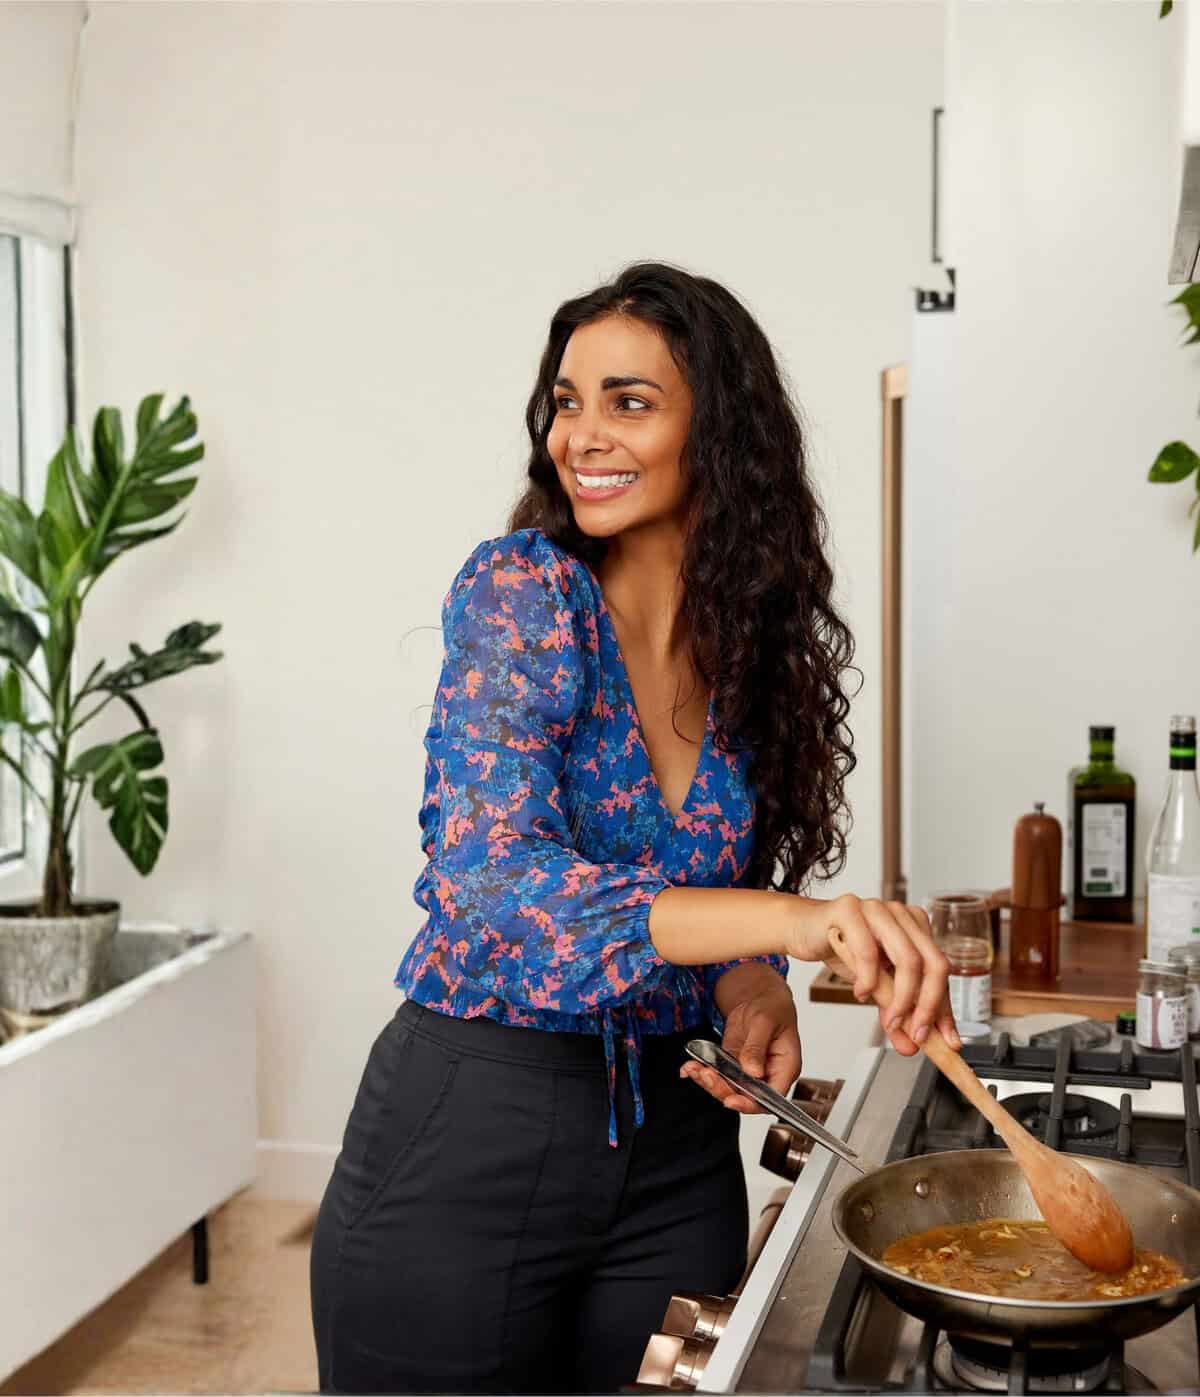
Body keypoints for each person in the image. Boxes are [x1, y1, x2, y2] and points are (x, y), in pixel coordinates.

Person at [309, 261, 957, 1395]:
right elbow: (492, 886)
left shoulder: (746, 645)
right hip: (472, 1132)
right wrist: (792, 921)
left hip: (675, 1149)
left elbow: (711, 888)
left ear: (722, 434)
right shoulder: (526, 594)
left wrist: (750, 975)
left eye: (630, 401)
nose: (583, 434)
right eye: (568, 399)